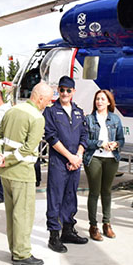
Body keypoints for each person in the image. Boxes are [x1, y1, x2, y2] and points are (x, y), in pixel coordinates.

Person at [0, 82, 53, 265]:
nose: (49, 104)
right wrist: (10, 159)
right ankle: (22, 253)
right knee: (23, 214)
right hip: (22, 172)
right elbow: (28, 148)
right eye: (48, 100)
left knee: (11, 212)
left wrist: (0, 156)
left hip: (5, 172)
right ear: (40, 98)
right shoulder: (37, 118)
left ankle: (14, 248)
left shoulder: (12, 110)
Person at [44, 76, 89, 253]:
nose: (64, 93)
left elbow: (84, 135)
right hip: (59, 162)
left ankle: (68, 230)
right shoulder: (51, 112)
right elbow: (51, 137)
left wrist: (77, 156)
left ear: (73, 92)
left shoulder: (78, 111)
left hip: (75, 161)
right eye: (61, 90)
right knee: (55, 198)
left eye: (68, 90)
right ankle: (54, 235)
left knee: (71, 196)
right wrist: (70, 157)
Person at [83, 89, 124, 241]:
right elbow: (85, 141)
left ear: (108, 102)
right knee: (94, 191)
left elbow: (121, 139)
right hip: (94, 157)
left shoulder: (115, 119)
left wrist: (116, 144)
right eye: (97, 99)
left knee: (107, 191)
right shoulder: (89, 119)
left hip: (111, 158)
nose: (99, 102)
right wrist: (101, 144)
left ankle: (107, 223)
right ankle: (93, 226)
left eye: (102, 99)